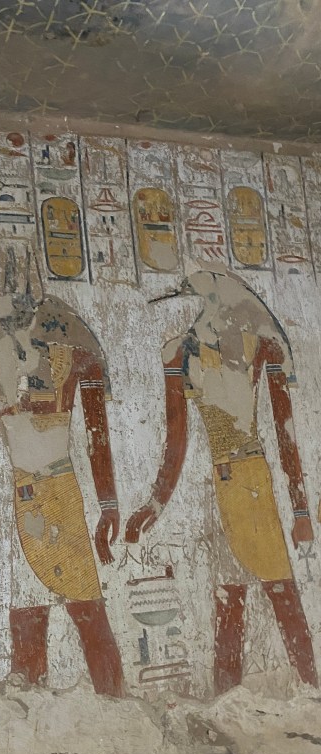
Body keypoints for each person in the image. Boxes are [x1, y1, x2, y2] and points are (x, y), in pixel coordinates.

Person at [126, 269, 318, 693]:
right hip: (218, 485)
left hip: (252, 481)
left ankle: (310, 688)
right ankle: (227, 696)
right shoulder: (178, 353)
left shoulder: (261, 345)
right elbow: (176, 440)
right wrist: (155, 504)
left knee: (280, 590)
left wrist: (301, 510)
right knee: (229, 598)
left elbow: (285, 433)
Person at [0, 250, 124, 697]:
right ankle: (32, 703)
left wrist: (108, 507)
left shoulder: (77, 362)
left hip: (61, 495)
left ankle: (113, 699)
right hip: (21, 499)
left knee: (87, 605)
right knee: (27, 610)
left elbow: (98, 441)